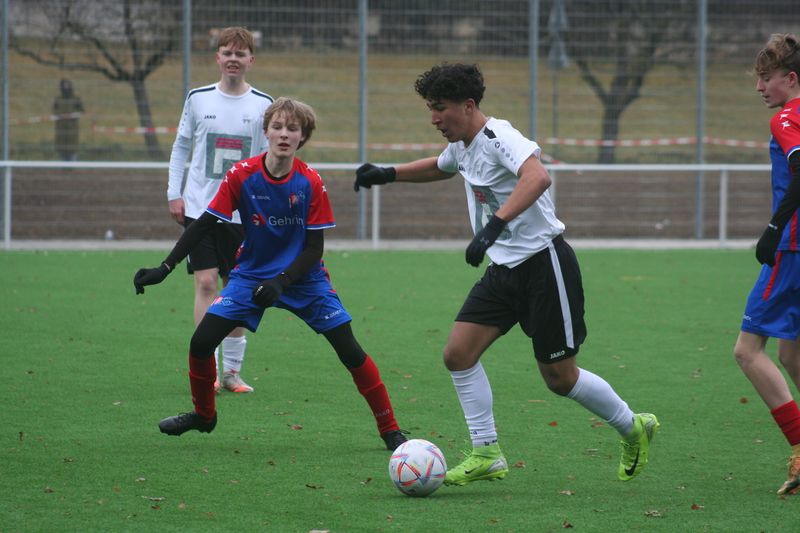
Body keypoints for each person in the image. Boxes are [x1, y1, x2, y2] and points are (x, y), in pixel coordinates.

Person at [353, 62, 658, 486]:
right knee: (458, 354)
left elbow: (538, 176)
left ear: (468, 105)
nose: (434, 118)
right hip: (504, 270)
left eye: (440, 108)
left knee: (560, 378)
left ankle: (632, 425)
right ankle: (486, 452)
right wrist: (388, 174)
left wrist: (494, 225)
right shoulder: (462, 144)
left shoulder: (499, 136)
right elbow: (441, 166)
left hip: (545, 265)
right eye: (430, 109)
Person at [135, 97, 409, 451]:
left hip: (304, 279)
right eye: (277, 127)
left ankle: (390, 429)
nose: (284, 134)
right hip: (250, 276)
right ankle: (204, 415)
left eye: (292, 129)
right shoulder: (241, 175)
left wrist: (282, 281)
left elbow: (314, 250)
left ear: (302, 137)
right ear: (265, 132)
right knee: (201, 343)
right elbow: (204, 224)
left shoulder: (311, 182)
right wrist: (165, 267)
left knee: (350, 350)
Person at [167, 27, 274, 394]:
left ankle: (232, 372)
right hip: (201, 209)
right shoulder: (198, 98)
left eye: (240, 54)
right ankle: (207, 369)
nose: (233, 59)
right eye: (227, 52)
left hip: (244, 215)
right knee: (206, 283)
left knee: (237, 289)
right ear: (217, 57)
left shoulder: (263, 104)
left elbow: (267, 162)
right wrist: (174, 193)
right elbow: (181, 147)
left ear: (250, 60)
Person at [734, 33, 800, 496]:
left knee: (747, 351)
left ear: (790, 79)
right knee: (791, 353)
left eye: (766, 78)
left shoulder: (787, 117)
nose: (760, 88)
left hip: (792, 249)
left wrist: (775, 228)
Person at [53, 79, 84, 162]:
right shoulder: (58, 98)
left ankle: (73, 165)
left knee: (72, 147)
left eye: (67, 85)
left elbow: (81, 110)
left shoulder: (75, 98)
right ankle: (63, 165)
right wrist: (60, 114)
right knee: (62, 147)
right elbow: (54, 110)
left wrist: (72, 115)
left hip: (72, 127)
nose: (66, 87)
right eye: (64, 85)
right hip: (61, 127)